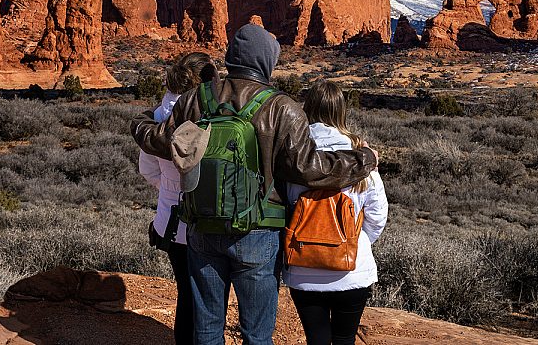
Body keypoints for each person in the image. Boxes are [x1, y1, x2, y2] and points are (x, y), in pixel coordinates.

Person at [132, 24, 378, 345]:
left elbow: (162, 141)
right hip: (258, 232)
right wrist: (362, 160)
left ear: (232, 56)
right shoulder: (281, 107)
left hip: (202, 226)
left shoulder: (196, 99)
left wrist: (140, 122)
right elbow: (307, 169)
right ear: (266, 61)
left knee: (206, 330)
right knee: (256, 334)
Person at [284, 81, 388, 345]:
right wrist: (354, 242)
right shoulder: (361, 157)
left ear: (307, 109)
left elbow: (284, 204)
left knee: (316, 340)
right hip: (352, 271)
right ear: (341, 111)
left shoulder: (292, 155)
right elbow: (377, 215)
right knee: (344, 340)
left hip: (303, 269)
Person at [139, 52, 214, 345]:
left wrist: (171, 191)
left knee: (187, 292)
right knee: (209, 295)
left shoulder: (158, 117)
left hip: (170, 223)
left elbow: (147, 170)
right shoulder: (210, 116)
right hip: (207, 220)